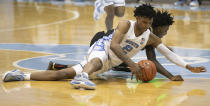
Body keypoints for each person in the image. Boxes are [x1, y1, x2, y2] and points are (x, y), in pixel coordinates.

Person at [3, 4, 206, 90]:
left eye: (148, 22)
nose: (145, 25)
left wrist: (188, 68)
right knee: (98, 60)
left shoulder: (149, 37)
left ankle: (19, 75)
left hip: (110, 62)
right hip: (103, 48)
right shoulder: (125, 24)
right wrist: (132, 65)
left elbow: (168, 53)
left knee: (63, 74)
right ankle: (82, 79)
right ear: (137, 18)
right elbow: (115, 46)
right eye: (143, 21)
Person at [47, 10, 184, 81]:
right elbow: (152, 60)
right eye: (165, 30)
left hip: (105, 40)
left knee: (113, 66)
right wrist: (170, 76)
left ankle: (59, 66)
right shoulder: (146, 32)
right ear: (156, 27)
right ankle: (68, 72)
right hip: (102, 42)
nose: (165, 33)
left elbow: (154, 54)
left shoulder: (148, 32)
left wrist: (163, 49)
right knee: (124, 66)